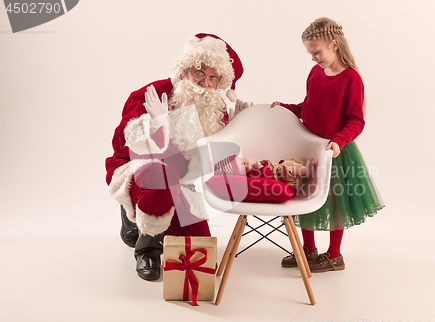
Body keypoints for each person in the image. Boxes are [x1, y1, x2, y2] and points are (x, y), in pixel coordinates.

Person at [105, 33, 245, 281]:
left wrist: (235, 129)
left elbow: (212, 159)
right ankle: (147, 247)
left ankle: (140, 223)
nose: (204, 82)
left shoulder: (216, 107)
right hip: (143, 171)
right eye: (199, 72)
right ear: (185, 70)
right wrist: (157, 124)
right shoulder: (152, 94)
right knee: (162, 175)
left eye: (213, 78)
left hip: (184, 184)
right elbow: (124, 145)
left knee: (202, 257)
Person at [272, 18, 384, 273]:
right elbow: (308, 107)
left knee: (335, 201)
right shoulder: (315, 73)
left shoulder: (351, 79)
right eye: (310, 53)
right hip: (308, 148)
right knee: (306, 195)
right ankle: (308, 249)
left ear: (333, 45)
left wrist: (338, 141)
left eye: (316, 52)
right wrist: (286, 109)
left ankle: (335, 255)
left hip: (333, 151)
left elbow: (356, 120)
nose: (313, 58)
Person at [214, 154, 316, 190]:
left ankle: (304, 168)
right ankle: (306, 171)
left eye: (241, 160)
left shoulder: (253, 166)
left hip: (295, 177)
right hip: (288, 181)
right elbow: (268, 177)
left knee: (292, 160)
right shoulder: (251, 175)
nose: (244, 162)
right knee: (285, 167)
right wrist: (259, 168)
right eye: (241, 166)